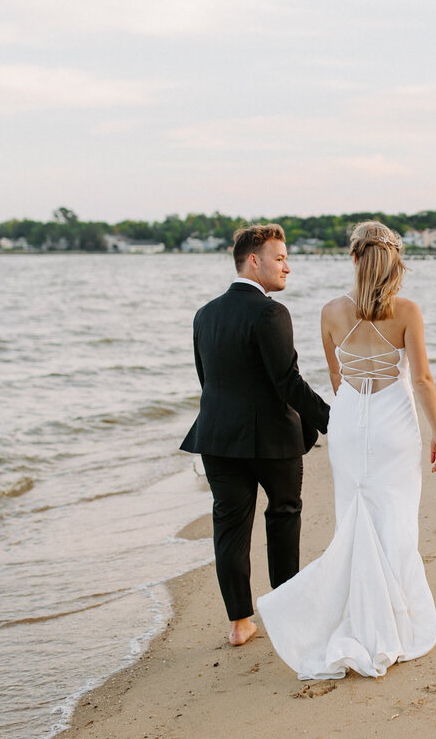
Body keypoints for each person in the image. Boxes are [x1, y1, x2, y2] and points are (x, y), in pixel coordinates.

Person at [257, 220, 436, 679]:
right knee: (395, 518)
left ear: (354, 258)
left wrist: (351, 416)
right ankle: (395, 616)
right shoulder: (407, 311)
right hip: (392, 423)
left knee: (354, 516)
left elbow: (337, 379)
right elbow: (420, 379)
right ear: (393, 260)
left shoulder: (329, 312)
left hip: (348, 421)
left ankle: (355, 612)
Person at [180, 224, 331, 647]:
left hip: (216, 438)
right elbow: (288, 382)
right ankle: (286, 613)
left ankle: (240, 623)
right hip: (271, 440)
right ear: (253, 261)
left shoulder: (204, 314)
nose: (288, 266)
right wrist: (333, 421)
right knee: (283, 515)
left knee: (229, 526)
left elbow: (206, 379)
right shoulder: (270, 313)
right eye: (280, 258)